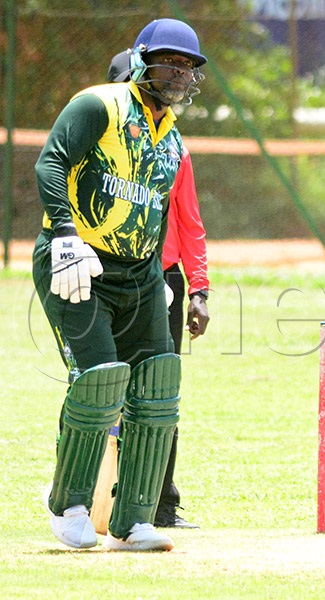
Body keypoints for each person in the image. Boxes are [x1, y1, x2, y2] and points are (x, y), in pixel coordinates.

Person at [33, 18, 207, 551]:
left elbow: (156, 214)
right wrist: (64, 234)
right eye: (168, 63)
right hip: (78, 260)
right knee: (100, 379)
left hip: (140, 273)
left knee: (158, 382)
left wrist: (162, 277)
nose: (177, 75)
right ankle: (70, 506)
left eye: (187, 68)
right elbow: (51, 163)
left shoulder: (171, 137)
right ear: (141, 60)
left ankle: (133, 520)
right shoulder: (98, 105)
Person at [108, 50, 210, 530]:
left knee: (157, 394)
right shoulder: (102, 139)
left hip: (162, 276)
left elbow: (190, 224)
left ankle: (161, 504)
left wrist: (198, 291)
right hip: (106, 271)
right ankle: (92, 499)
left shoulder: (174, 149)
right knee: (100, 388)